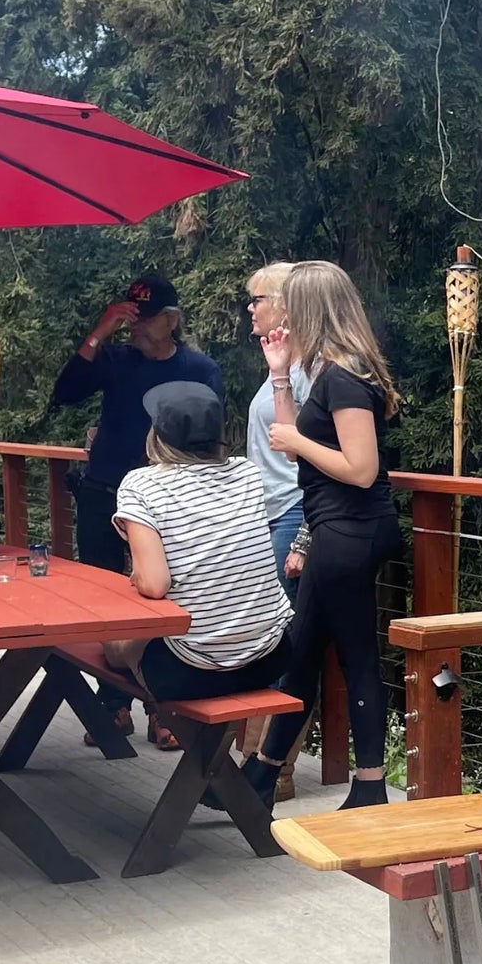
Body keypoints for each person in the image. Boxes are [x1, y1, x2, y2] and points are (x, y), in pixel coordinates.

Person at [245, 262, 402, 811]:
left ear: (312, 309)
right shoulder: (329, 370)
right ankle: (263, 774)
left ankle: (369, 787)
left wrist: (298, 441)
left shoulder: (344, 377)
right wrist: (280, 373)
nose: (283, 315)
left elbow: (361, 469)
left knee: (356, 658)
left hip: (351, 531)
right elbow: (294, 448)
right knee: (302, 651)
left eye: (292, 304)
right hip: (337, 529)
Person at [50, 272, 222, 744]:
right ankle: (113, 705)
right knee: (104, 601)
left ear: (171, 321)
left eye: (143, 318)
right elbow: (65, 393)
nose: (134, 326)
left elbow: (211, 436)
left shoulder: (199, 368)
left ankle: (162, 709)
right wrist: (99, 331)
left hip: (170, 500)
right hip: (105, 491)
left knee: (165, 598)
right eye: (128, 317)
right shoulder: (114, 359)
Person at [101, 381, 293, 702]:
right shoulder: (248, 474)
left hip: (190, 669)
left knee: (112, 642)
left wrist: (139, 576)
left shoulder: (141, 485)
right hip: (269, 657)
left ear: (158, 434)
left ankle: (134, 716)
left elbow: (155, 584)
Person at [243, 262, 312, 598]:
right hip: (268, 510)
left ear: (285, 306)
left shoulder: (311, 370)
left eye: (257, 299)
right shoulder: (283, 367)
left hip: (295, 510)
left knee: (285, 616)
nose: (250, 308)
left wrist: (305, 537)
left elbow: (325, 448)